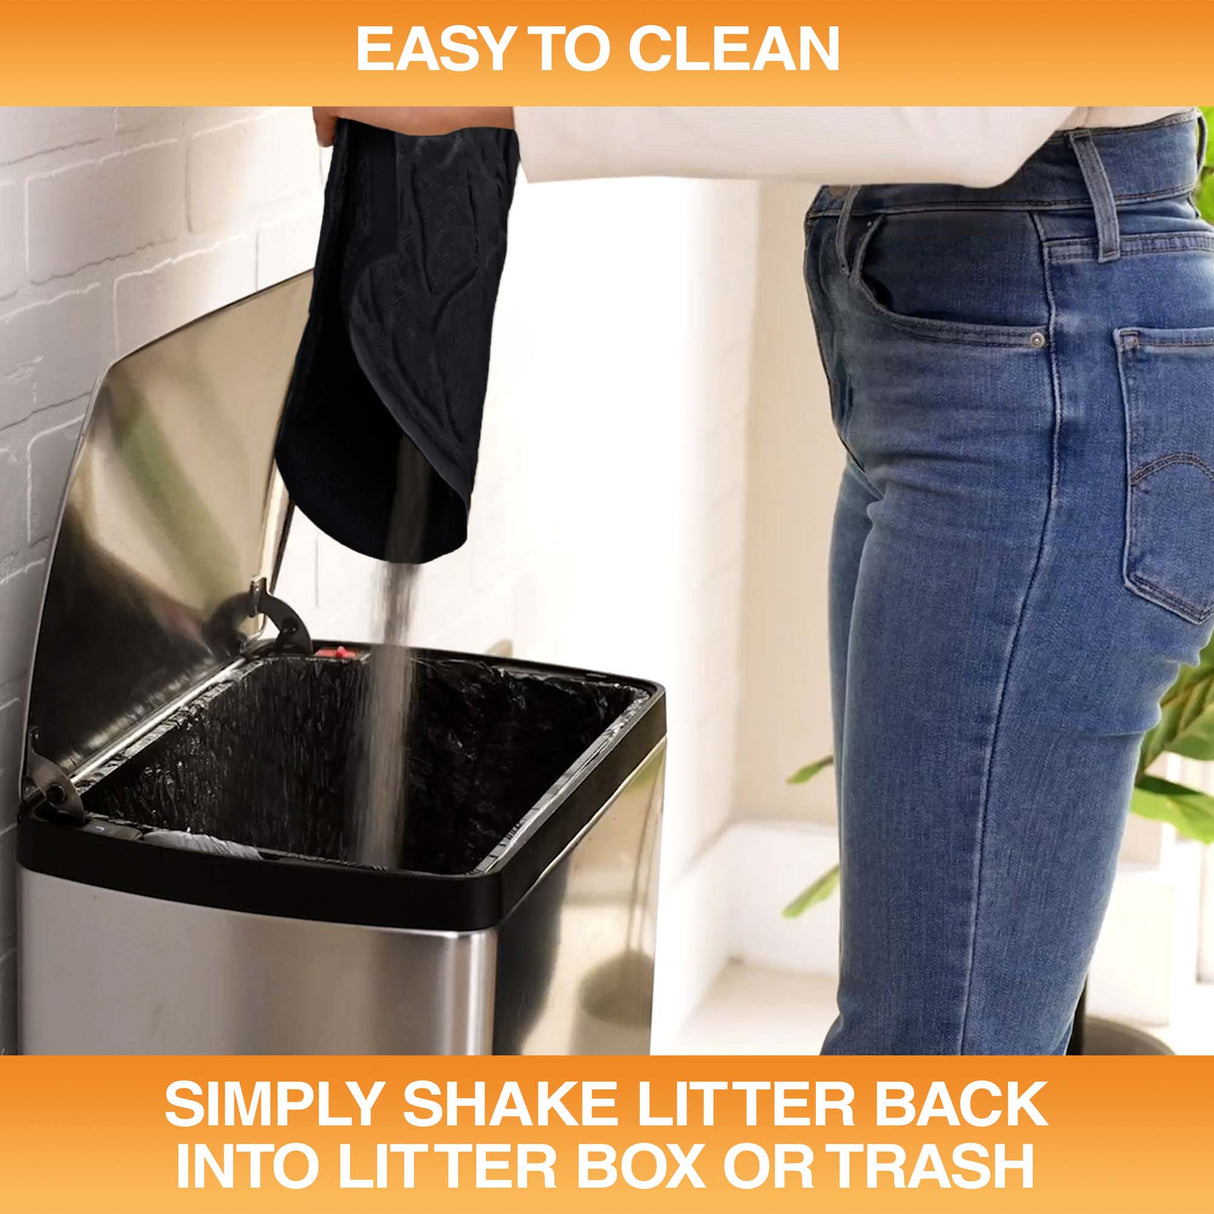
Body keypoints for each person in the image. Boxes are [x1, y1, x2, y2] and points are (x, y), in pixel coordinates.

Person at [313, 106, 1208, 1054]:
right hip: (963, 346)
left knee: (931, 1068)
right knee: (946, 1031)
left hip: (1045, 362)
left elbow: (973, 105)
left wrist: (503, 79)